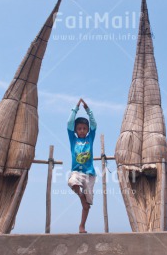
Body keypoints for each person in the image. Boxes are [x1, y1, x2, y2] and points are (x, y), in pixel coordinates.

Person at [67, 98, 97, 233]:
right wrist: (76, 108)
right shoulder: (73, 139)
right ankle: (81, 196)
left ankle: (82, 226)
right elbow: (69, 123)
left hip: (90, 174)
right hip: (77, 172)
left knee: (87, 206)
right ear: (75, 130)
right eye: (79, 128)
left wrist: (88, 110)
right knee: (72, 182)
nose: (82, 130)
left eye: (85, 128)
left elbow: (94, 124)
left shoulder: (90, 138)